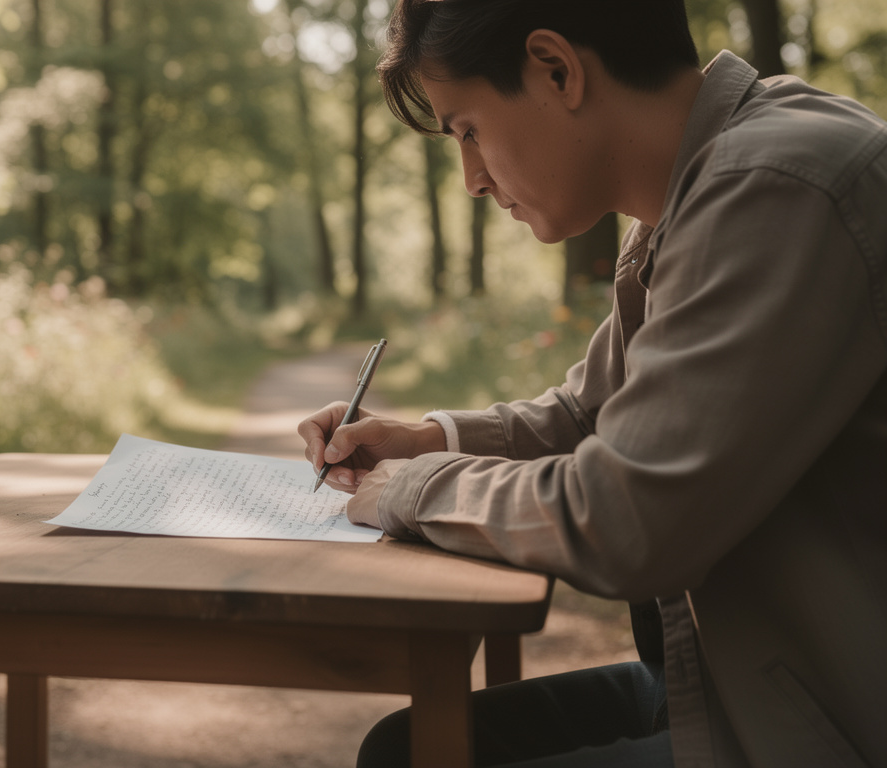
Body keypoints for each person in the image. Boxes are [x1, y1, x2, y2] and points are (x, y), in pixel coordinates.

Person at [298, 1, 887, 766]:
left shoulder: (778, 183)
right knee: (407, 749)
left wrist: (416, 487)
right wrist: (425, 438)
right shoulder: (699, 188)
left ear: (556, 69)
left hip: (828, 716)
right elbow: (587, 413)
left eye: (468, 129)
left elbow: (626, 519)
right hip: (739, 674)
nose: (472, 179)